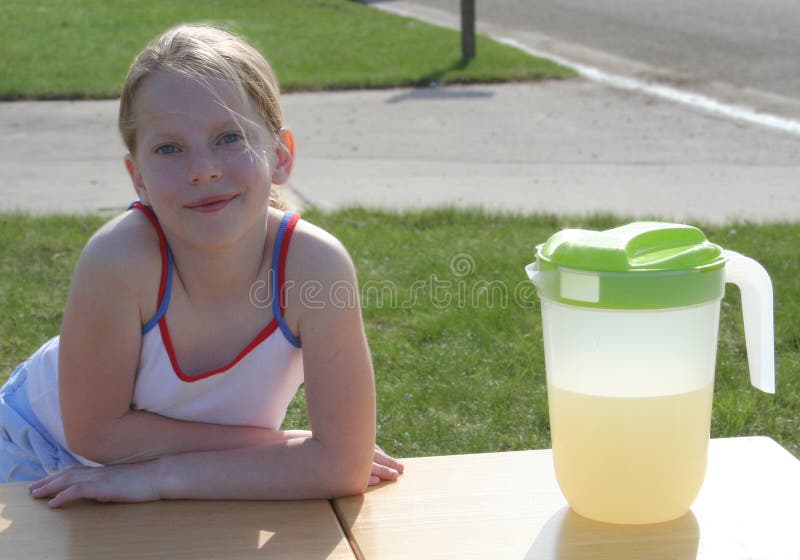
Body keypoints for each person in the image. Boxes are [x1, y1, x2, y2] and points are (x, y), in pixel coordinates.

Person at [0, 23, 403, 507]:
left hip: (177, 471)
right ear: (138, 176)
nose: (202, 169)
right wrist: (282, 449)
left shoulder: (315, 268)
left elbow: (341, 467)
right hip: (34, 447)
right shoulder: (119, 259)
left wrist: (159, 478)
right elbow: (97, 434)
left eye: (229, 137)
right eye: (168, 148)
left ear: (280, 156)